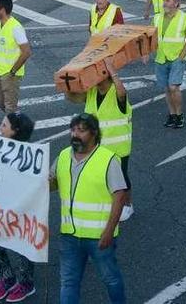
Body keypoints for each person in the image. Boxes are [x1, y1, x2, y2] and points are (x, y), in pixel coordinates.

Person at [51, 113, 127, 304]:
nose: (75, 134)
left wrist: (109, 231)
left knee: (110, 279)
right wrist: (45, 182)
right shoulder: (63, 156)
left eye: (81, 130)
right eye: (73, 129)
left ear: (94, 133)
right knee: (68, 282)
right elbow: (52, 184)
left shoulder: (108, 160)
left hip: (99, 236)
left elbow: (120, 196)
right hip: (69, 234)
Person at [66, 55, 135, 221]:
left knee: (120, 180)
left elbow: (121, 92)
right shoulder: (91, 92)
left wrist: (112, 70)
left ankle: (127, 205)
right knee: (99, 178)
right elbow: (72, 97)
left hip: (118, 148)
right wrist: (68, 82)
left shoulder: (116, 91)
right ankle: (105, 204)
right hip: (96, 147)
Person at [0, 112, 36, 302]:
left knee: (22, 245)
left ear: (16, 132)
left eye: (4, 126)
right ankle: (7, 278)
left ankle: (26, 283)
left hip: (20, 211)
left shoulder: (31, 158)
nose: (0, 128)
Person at [154, 0, 186, 128]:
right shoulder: (157, 17)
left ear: (176, 3)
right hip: (161, 58)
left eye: (167, 1)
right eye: (164, 0)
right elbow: (153, 37)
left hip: (176, 58)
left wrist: (181, 56)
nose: (164, 3)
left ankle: (179, 114)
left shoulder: (184, 18)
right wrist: (146, 52)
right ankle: (172, 115)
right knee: (166, 88)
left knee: (173, 87)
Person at [0, 0, 31, 114]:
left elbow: (26, 52)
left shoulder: (16, 28)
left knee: (10, 106)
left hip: (10, 74)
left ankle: (11, 130)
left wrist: (12, 72)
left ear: (2, 10)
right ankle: (13, 122)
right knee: (0, 103)